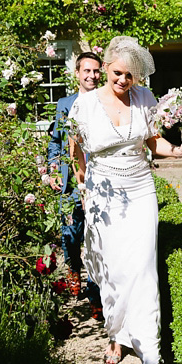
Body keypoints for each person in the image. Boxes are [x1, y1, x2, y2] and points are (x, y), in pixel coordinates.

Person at [67, 36, 182, 364]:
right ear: (106, 68)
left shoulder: (145, 99)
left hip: (140, 190)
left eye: (130, 76)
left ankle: (152, 358)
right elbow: (75, 146)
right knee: (113, 270)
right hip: (103, 194)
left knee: (142, 269)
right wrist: (82, 179)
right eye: (118, 73)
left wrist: (178, 151)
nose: (124, 81)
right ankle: (117, 332)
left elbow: (152, 142)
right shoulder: (85, 105)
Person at [47, 51, 102, 313]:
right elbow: (56, 141)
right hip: (70, 183)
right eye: (87, 71)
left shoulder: (106, 102)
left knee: (96, 238)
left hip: (99, 182)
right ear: (77, 73)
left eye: (96, 71)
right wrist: (54, 167)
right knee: (70, 235)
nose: (92, 76)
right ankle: (73, 270)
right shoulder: (65, 104)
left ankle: (95, 294)